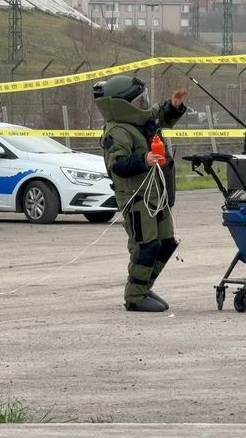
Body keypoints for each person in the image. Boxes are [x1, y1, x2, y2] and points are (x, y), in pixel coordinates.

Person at [93, 75, 188, 312]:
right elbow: (117, 164)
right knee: (145, 245)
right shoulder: (117, 131)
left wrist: (174, 106)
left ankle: (143, 286)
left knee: (166, 243)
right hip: (137, 198)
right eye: (138, 101)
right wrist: (143, 159)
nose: (143, 104)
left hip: (156, 196)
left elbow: (157, 115)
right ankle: (134, 295)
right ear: (123, 105)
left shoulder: (140, 120)